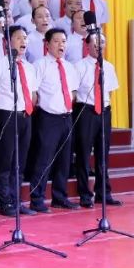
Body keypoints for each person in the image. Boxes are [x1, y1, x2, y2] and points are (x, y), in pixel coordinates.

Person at [0, 26, 40, 217]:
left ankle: (17, 200)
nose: (23, 41)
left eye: (25, 38)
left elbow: (33, 93)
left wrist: (29, 108)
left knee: (20, 161)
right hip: (6, 114)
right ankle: (5, 203)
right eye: (18, 38)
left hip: (25, 115)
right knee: (5, 160)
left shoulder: (29, 67)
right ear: (8, 42)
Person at [28, 29, 80, 212]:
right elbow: (34, 92)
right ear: (47, 44)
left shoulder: (69, 67)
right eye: (56, 41)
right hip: (48, 118)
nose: (61, 45)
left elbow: (73, 92)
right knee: (44, 160)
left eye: (64, 41)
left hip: (67, 117)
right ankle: (37, 199)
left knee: (64, 161)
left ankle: (60, 197)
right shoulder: (40, 65)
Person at [72, 33, 121, 209]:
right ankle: (85, 194)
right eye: (96, 42)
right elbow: (74, 91)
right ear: (87, 45)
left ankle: (104, 193)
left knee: (103, 154)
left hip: (104, 111)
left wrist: (103, 108)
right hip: (86, 111)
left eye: (102, 42)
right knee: (84, 154)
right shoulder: (79, 66)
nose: (99, 45)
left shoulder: (108, 66)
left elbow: (110, 92)